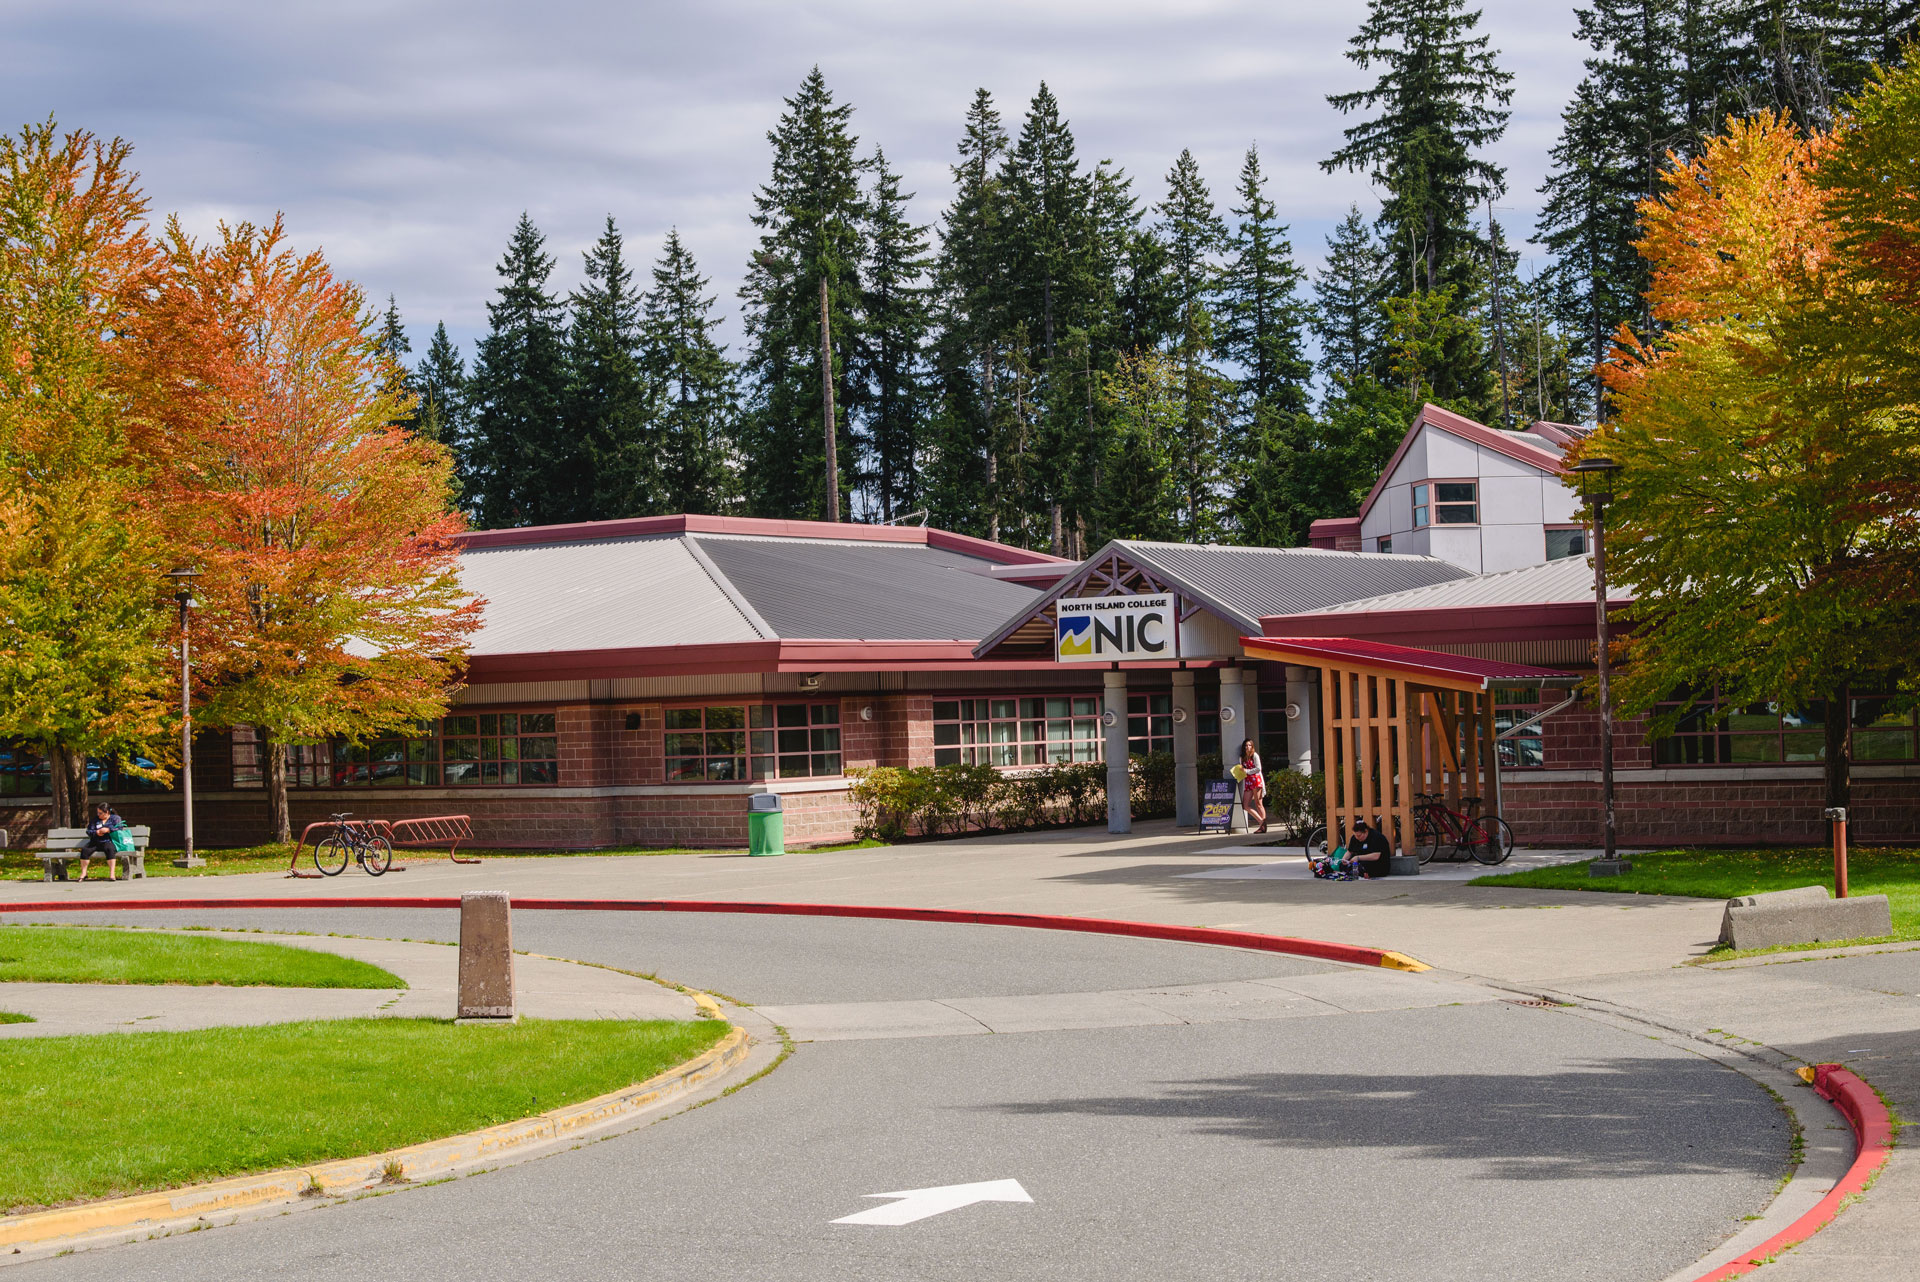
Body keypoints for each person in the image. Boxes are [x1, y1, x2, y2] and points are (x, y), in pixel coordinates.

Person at [75, 802, 126, 882]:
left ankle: (112, 874)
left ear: (107, 812)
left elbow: (120, 828)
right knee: (85, 850)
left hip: (108, 840)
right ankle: (84, 873)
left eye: (100, 813)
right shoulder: (95, 820)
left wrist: (108, 830)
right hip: (96, 841)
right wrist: (96, 832)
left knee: (110, 849)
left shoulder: (115, 818)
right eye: (97, 812)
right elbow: (89, 831)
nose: (98, 814)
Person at [1237, 738, 1267, 834]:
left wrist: (1247, 771)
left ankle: (1262, 827)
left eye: (1249, 745)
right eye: (1246, 745)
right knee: (1245, 805)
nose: (1247, 747)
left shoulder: (1255, 755)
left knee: (1259, 804)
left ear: (1252, 746)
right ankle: (1262, 822)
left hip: (1256, 780)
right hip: (1248, 781)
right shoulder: (1242, 757)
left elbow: (1258, 768)